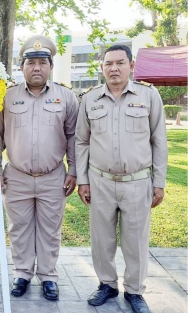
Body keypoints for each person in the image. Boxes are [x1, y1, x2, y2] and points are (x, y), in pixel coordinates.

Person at [75, 44, 167, 313]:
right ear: (102, 67)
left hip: (137, 182)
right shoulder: (90, 99)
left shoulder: (148, 96)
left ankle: (135, 291)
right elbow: (81, 141)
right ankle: (107, 284)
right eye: (108, 64)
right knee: (101, 239)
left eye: (120, 62)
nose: (114, 68)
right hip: (100, 180)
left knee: (136, 240)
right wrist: (83, 179)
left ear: (132, 65)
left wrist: (158, 182)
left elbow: (159, 141)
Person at [0, 35, 78, 301]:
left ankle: (49, 276)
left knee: (50, 229)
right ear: (22, 67)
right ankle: (22, 273)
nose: (36, 68)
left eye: (42, 62)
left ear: (51, 66)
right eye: (31, 63)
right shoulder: (6, 97)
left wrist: (74, 170)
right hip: (17, 176)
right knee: (19, 228)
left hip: (53, 177)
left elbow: (75, 136)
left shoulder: (66, 97)